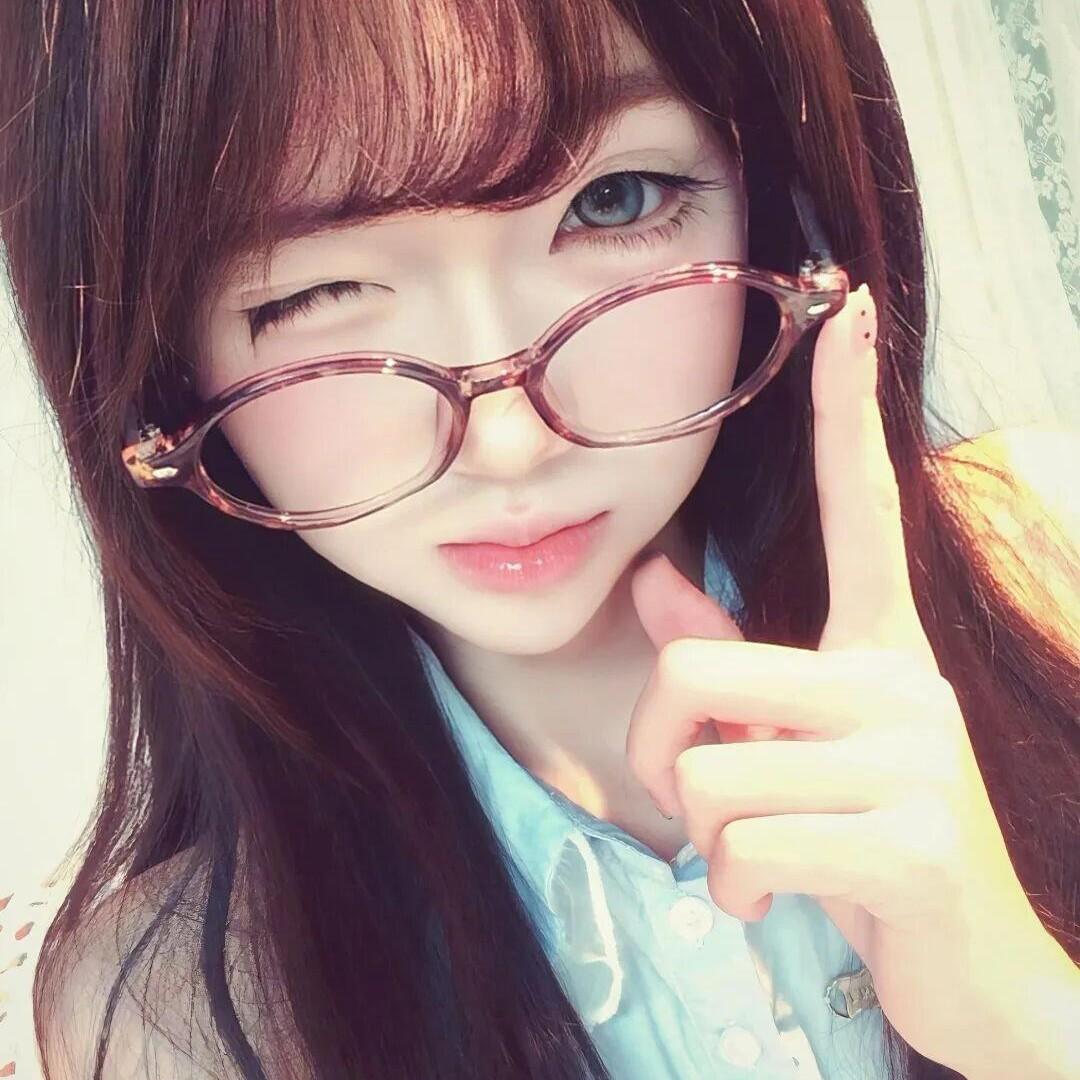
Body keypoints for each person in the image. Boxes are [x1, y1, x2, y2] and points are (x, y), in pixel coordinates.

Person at [1, 1, 1077, 1077]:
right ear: (162, 368)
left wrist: (1026, 1016)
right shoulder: (167, 1016)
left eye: (614, 201)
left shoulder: (1053, 563)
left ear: (780, 204)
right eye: (318, 288)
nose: (510, 441)